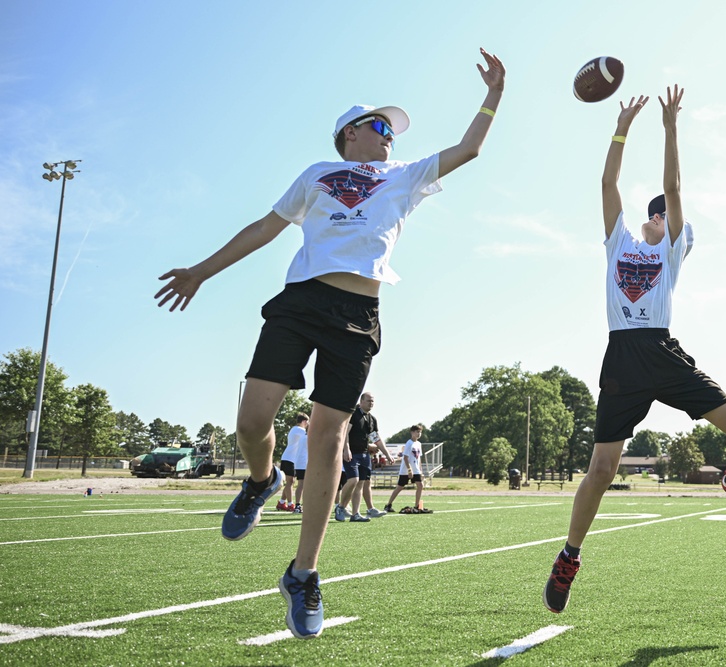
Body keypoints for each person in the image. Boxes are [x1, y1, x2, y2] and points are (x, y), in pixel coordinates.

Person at [154, 47, 505, 639]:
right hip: (301, 301)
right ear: (349, 135)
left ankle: (304, 571)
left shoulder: (404, 175)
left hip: (358, 313)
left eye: (391, 128)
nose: (389, 134)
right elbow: (265, 229)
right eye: (379, 125)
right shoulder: (316, 174)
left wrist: (493, 96)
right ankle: (261, 480)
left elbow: (468, 149)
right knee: (251, 420)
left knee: (329, 440)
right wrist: (201, 271)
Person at [542, 86, 726, 616]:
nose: (658, 217)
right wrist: (621, 127)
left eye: (664, 215)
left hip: (662, 351)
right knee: (601, 469)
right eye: (652, 214)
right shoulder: (618, 244)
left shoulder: (671, 251)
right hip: (623, 358)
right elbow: (607, 182)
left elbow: (673, 187)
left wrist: (670, 127)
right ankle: (568, 559)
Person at [335, 392, 395, 522]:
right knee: (353, 480)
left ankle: (355, 514)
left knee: (360, 484)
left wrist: (387, 454)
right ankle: (340, 507)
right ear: (361, 401)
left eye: (372, 401)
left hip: (364, 455)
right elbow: (345, 433)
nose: (371, 403)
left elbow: (376, 439)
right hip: (352, 454)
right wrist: (346, 449)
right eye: (368, 401)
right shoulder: (353, 415)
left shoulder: (372, 419)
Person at [384, 424, 428, 513]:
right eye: (417, 432)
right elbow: (405, 457)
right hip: (406, 470)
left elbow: (419, 459)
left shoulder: (419, 444)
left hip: (416, 469)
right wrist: (409, 470)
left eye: (420, 432)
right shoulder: (409, 443)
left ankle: (416, 506)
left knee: (420, 485)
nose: (419, 434)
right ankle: (388, 505)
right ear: (412, 432)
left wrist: (421, 471)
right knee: (400, 487)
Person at [278, 414, 308, 512]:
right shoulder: (298, 430)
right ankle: (291, 504)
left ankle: (282, 502)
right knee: (290, 482)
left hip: (292, 459)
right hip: (289, 458)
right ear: (304, 421)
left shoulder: (297, 430)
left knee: (290, 482)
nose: (308, 424)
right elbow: (311, 433)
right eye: (307, 422)